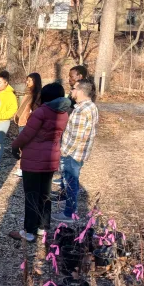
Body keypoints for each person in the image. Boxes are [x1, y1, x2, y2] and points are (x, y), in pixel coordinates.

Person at [8, 84, 70, 242]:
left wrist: (15, 146)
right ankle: (43, 227)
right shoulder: (63, 113)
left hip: (34, 159)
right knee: (45, 194)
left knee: (31, 195)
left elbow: (26, 135)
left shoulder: (41, 112)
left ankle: (29, 231)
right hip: (51, 159)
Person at [52, 79, 99, 223]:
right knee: (72, 181)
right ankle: (69, 209)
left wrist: (63, 152)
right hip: (80, 153)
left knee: (71, 182)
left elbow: (76, 137)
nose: (71, 91)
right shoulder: (91, 106)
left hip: (73, 154)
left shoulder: (81, 110)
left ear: (80, 91)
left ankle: (69, 213)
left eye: (73, 89)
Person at [13, 73, 42, 177]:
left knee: (27, 147)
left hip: (28, 124)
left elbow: (36, 110)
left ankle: (26, 167)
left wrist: (29, 119)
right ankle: (24, 166)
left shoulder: (37, 95)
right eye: (27, 80)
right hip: (22, 122)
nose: (27, 82)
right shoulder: (27, 93)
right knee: (23, 147)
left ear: (35, 81)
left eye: (29, 81)